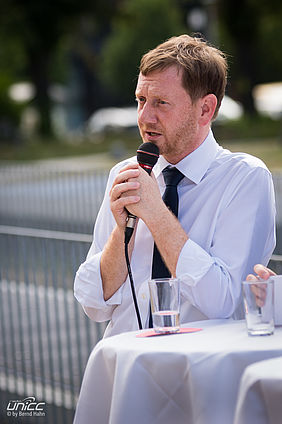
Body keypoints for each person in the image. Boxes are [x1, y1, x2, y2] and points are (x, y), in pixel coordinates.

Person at [74, 34, 276, 337]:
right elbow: (93, 305)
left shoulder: (245, 178)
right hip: (126, 368)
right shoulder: (127, 173)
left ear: (205, 109)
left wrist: (156, 214)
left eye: (161, 103)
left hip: (200, 373)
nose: (144, 117)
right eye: (141, 100)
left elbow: (223, 301)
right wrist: (122, 234)